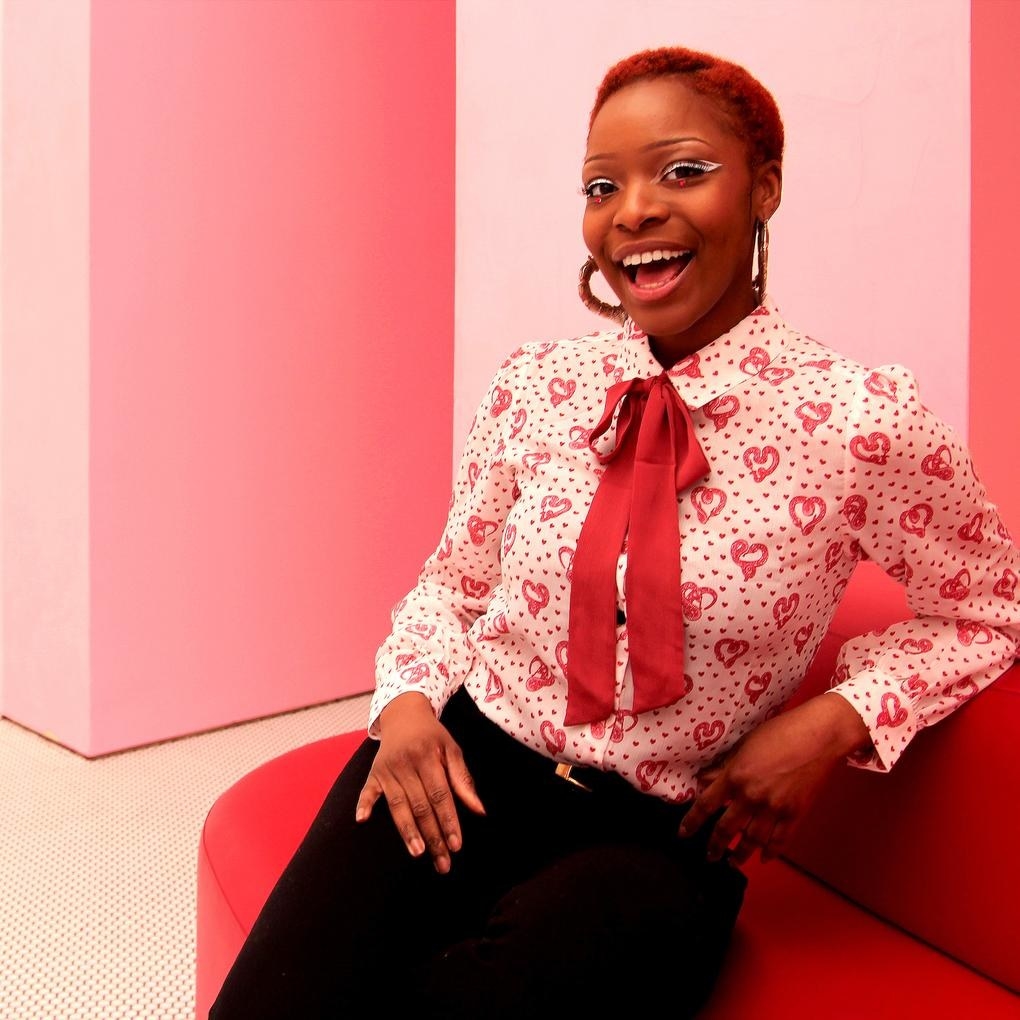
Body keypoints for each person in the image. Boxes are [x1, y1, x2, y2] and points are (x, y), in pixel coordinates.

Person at [210, 45, 1019, 1019]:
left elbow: (990, 609)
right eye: (603, 185)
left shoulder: (860, 419)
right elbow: (454, 586)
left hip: (660, 838)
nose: (633, 209)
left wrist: (831, 721)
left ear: (763, 189)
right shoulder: (536, 385)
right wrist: (409, 705)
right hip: (467, 760)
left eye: (684, 170)